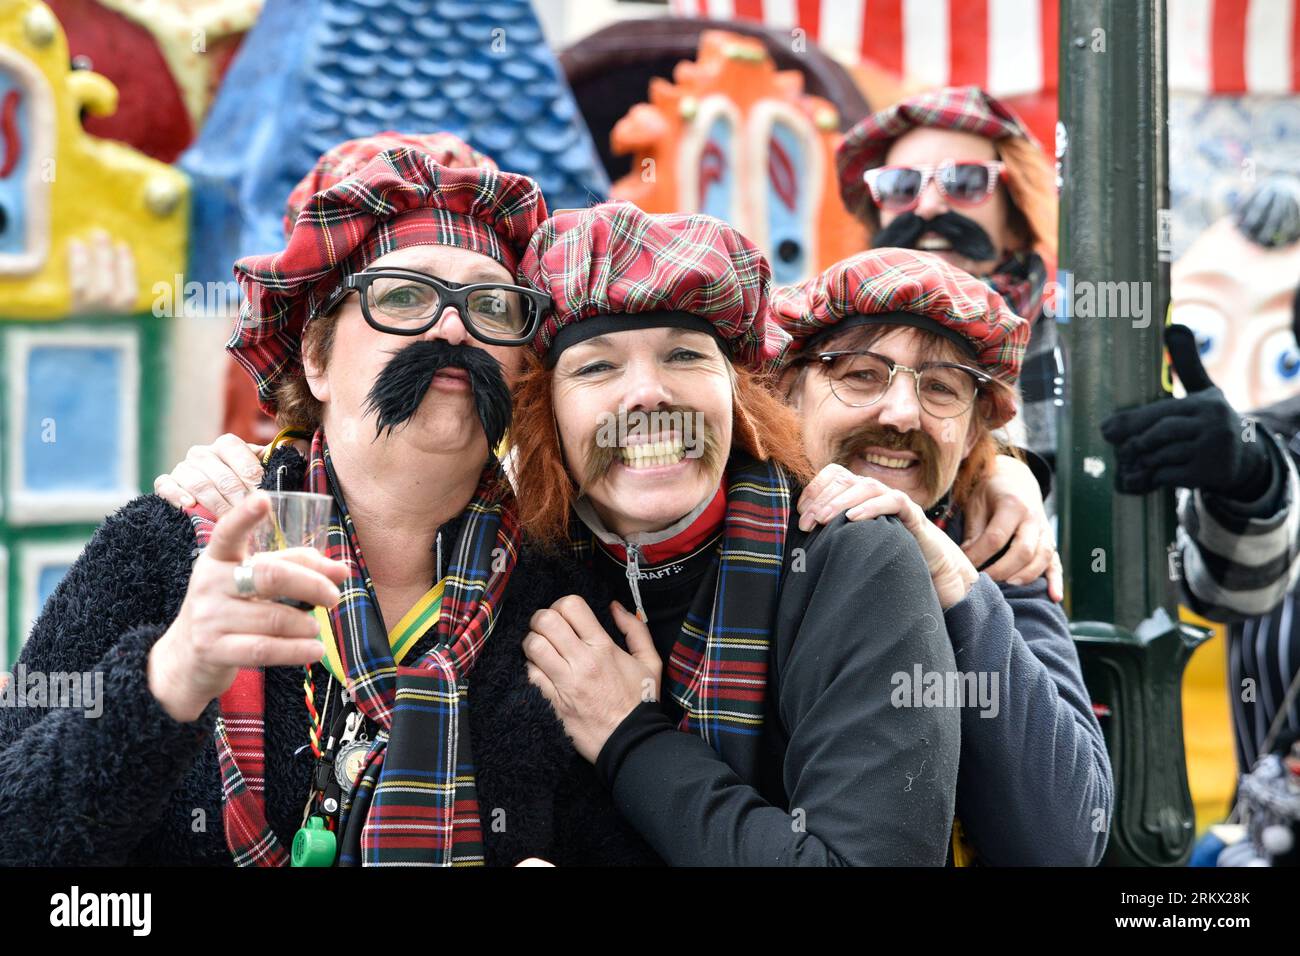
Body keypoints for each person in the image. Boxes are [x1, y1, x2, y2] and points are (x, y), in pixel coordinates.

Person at [0, 135, 562, 866]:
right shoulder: (167, 545)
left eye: (491, 304)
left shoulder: (559, 595)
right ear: (317, 358)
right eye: (403, 297)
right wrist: (168, 677)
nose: (453, 326)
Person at [500, 201, 961, 866]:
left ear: (738, 393)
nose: (647, 394)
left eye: (684, 354)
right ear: (546, 417)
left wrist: (630, 738)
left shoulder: (853, 562)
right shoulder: (513, 572)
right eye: (596, 367)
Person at [770, 248, 1113, 865]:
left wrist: (957, 585)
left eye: (941, 389)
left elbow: (1065, 840)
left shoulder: (996, 551)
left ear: (977, 429)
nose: (902, 414)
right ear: (789, 389)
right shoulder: (731, 532)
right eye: (861, 375)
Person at [837, 86, 1063, 486]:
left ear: (1016, 211)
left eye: (964, 182)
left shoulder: (1088, 351)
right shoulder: (824, 342)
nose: (927, 206)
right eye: (901, 186)